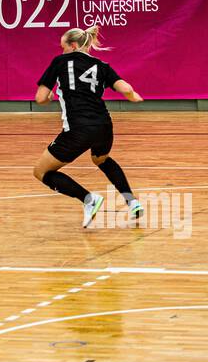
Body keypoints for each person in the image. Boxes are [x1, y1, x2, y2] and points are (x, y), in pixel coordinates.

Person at [32, 26, 144, 228]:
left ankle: (88, 199)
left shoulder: (60, 62)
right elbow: (126, 88)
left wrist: (48, 97)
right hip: (104, 126)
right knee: (101, 159)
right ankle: (132, 201)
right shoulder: (101, 64)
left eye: (63, 47)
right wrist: (133, 96)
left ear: (73, 46)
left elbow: (40, 98)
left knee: (41, 172)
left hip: (78, 129)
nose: (62, 51)